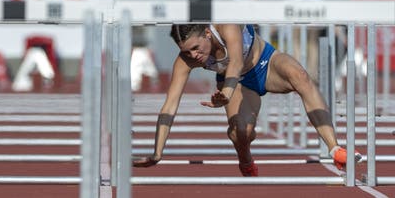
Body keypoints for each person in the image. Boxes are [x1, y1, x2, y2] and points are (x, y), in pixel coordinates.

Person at [132, 24, 361, 176]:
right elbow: (169, 106)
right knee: (241, 131)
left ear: (207, 34)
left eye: (195, 48)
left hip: (265, 63)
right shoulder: (186, 61)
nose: (194, 55)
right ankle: (245, 157)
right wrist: (157, 153)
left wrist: (226, 94)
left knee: (300, 76)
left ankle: (334, 149)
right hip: (238, 85)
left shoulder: (226, 25)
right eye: (186, 51)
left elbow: (235, 63)